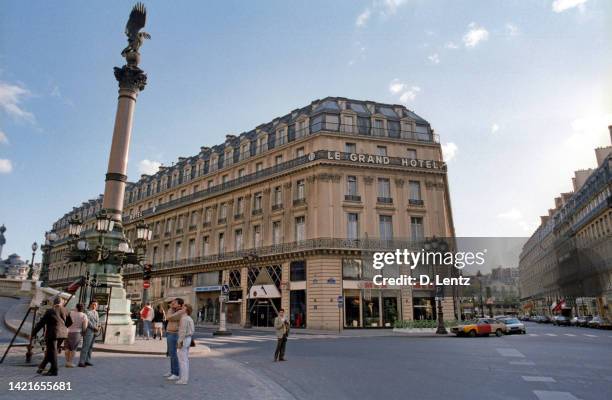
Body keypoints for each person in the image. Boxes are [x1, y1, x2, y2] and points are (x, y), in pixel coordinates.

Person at [32, 296, 68, 376]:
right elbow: (69, 322)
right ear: (60, 303)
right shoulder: (65, 310)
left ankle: (54, 370)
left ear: (53, 303)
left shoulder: (50, 311)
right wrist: (63, 327)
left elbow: (41, 324)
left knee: (52, 351)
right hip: (63, 334)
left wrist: (33, 334)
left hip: (53, 334)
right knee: (50, 351)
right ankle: (42, 367)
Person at [164, 298, 185, 381]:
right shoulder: (173, 310)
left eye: (174, 302)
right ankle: (172, 371)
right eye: (172, 302)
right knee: (171, 354)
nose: (172, 304)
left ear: (180, 304)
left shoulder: (181, 312)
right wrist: (171, 307)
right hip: (169, 333)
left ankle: (175, 373)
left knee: (174, 354)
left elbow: (168, 317)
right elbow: (169, 316)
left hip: (174, 334)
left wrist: (170, 309)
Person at [176, 303, 195, 385]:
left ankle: (183, 379)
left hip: (184, 339)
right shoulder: (189, 318)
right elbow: (192, 330)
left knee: (182, 360)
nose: (181, 308)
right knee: (185, 360)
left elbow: (182, 332)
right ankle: (185, 378)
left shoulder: (184, 319)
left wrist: (179, 342)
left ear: (186, 310)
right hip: (188, 339)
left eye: (183, 307)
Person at [65, 303, 88, 368]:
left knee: (67, 348)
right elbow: (85, 327)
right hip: (77, 333)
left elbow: (66, 322)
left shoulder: (70, 313)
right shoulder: (84, 315)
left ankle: (67, 362)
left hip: (68, 331)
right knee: (73, 349)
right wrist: (83, 332)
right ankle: (70, 362)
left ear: (76, 307)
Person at [78, 300, 99, 367]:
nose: (94, 306)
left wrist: (98, 326)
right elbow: (88, 322)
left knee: (90, 347)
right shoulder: (87, 312)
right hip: (89, 331)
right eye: (93, 304)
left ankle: (87, 360)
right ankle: (81, 362)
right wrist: (94, 327)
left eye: (95, 305)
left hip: (95, 331)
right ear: (90, 304)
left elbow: (97, 321)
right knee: (85, 346)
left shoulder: (96, 312)